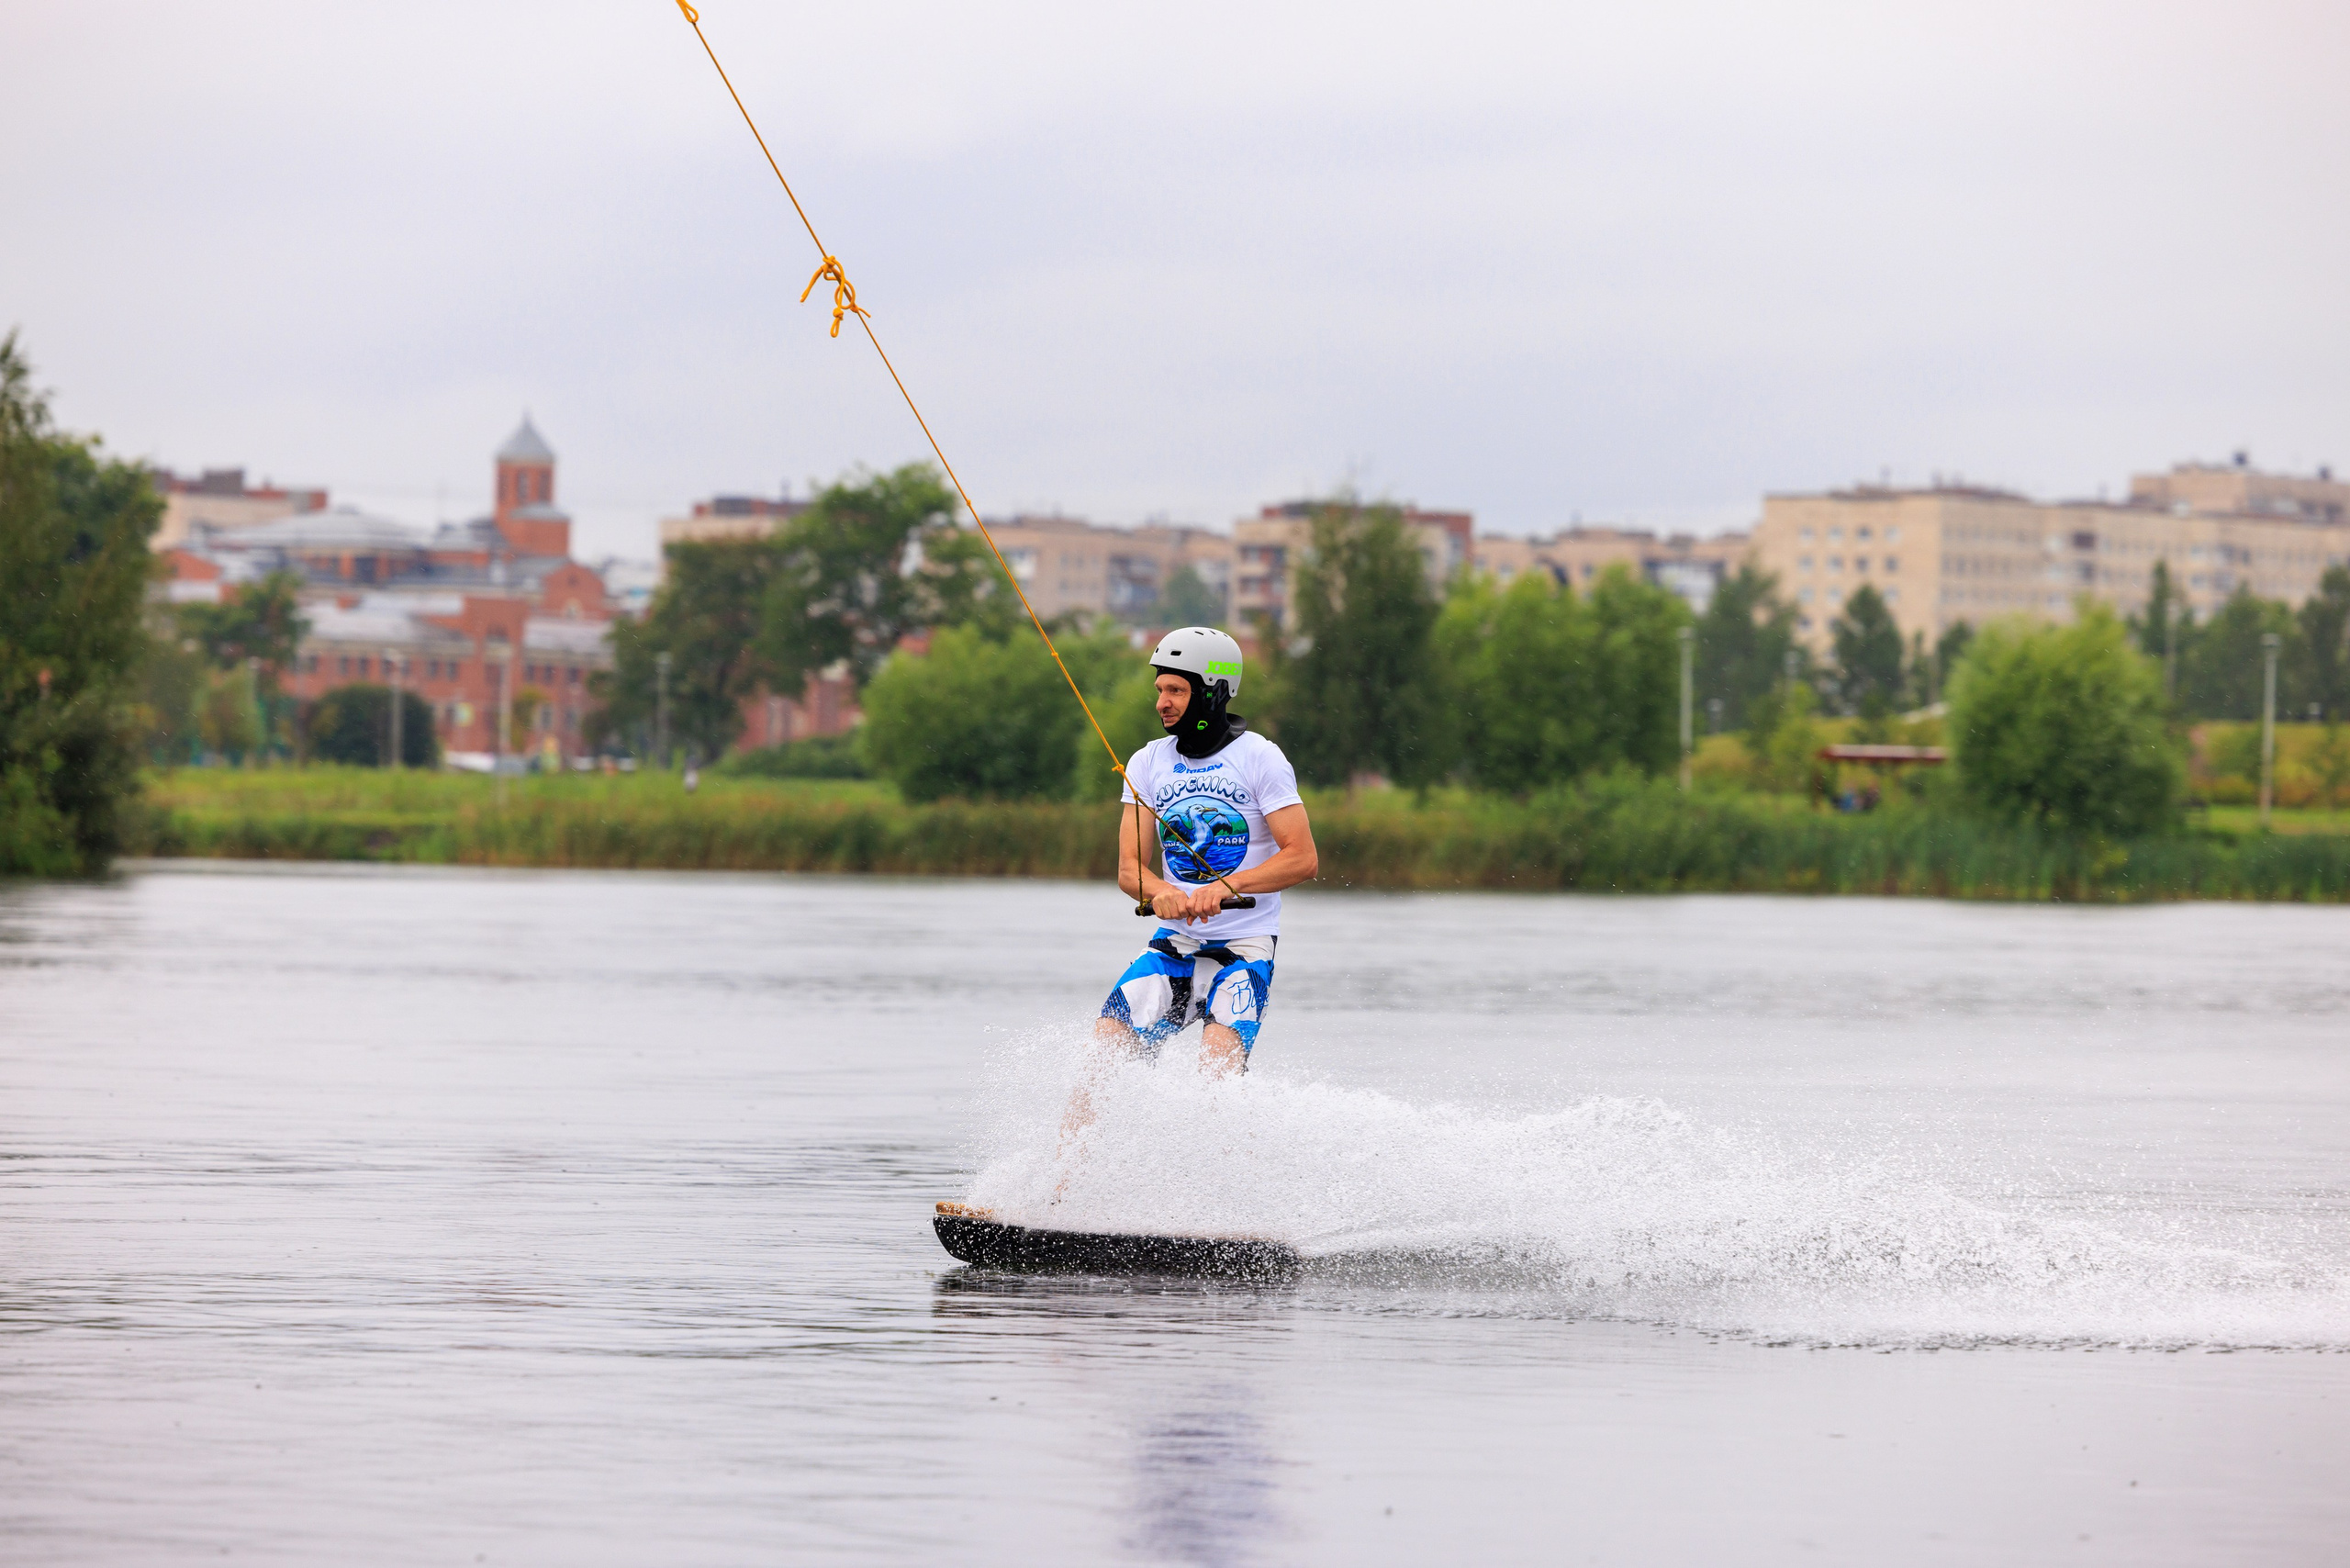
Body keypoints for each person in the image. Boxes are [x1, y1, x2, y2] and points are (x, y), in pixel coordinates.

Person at [1092, 626, 1318, 1078]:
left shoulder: (1261, 758)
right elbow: (1129, 869)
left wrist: (1226, 886)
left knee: (1216, 1068)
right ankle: (1075, 1150)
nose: (1162, 702)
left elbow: (1302, 858)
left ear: (1213, 692)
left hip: (1246, 946)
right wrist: (1160, 893)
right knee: (1104, 1048)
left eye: (1176, 690)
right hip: (1175, 942)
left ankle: (1227, 1144)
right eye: (1159, 690)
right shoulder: (1147, 762)